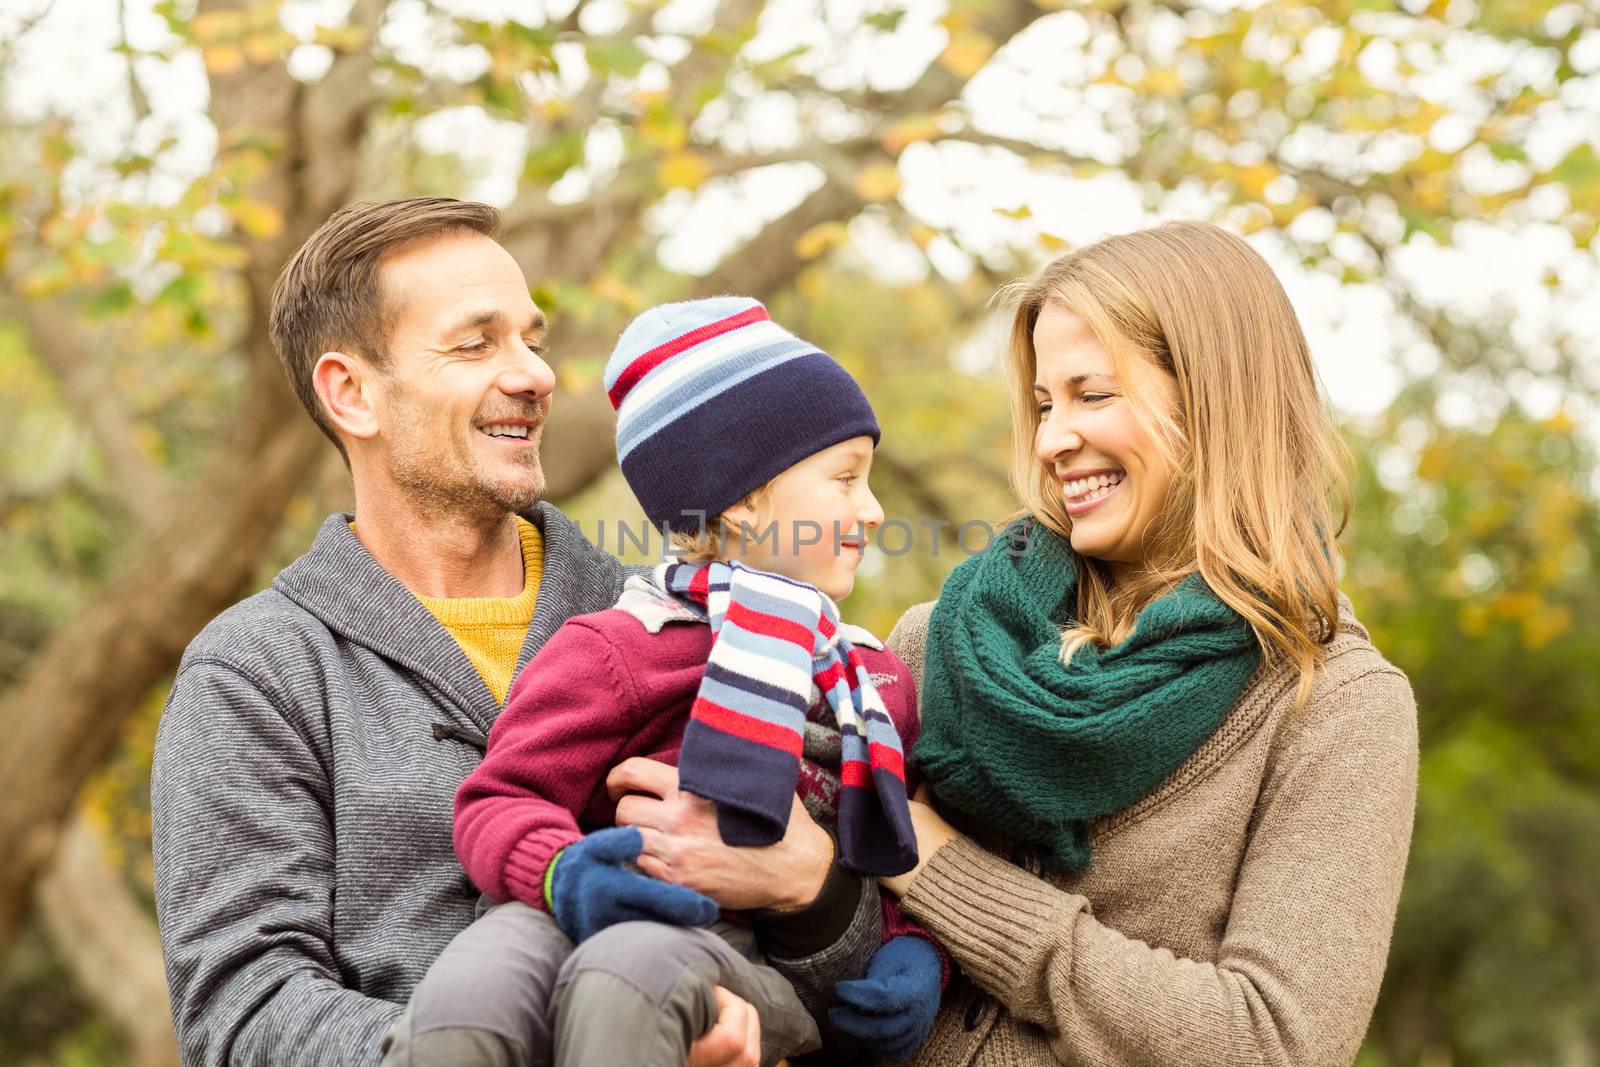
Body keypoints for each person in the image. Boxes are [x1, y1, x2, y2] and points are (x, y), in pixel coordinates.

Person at [151, 199, 880, 1067]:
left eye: (532, 338)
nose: (535, 373)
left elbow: (860, 994)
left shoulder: (684, 622)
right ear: (352, 393)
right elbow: (241, 1008)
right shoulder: (256, 671)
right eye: (477, 342)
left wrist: (813, 893)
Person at [878, 220, 1419, 1066]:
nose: (1054, 439)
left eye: (1093, 395)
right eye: (1046, 403)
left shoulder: (1334, 704)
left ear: (1215, 400)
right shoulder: (941, 644)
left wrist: (936, 869)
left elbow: (1274, 1042)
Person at [380, 297, 947, 1067]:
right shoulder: (622, 646)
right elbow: (498, 800)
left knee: (631, 977)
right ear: (743, 499)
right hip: (573, 912)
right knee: (466, 993)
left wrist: (916, 959)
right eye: (845, 478)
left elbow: (896, 855)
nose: (873, 509)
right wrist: (565, 870)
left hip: (742, 956)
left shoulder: (868, 680)